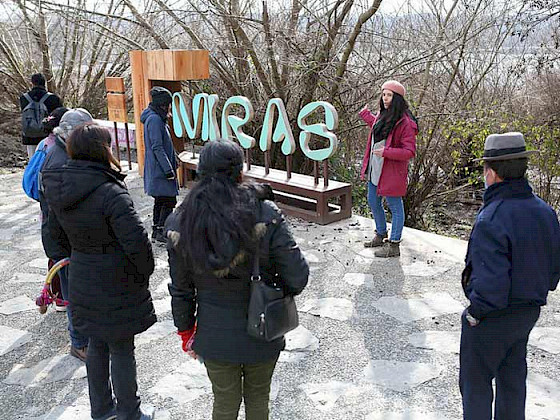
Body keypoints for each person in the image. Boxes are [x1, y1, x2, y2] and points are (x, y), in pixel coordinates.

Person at [166, 139, 309, 420]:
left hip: (212, 334)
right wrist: (275, 286)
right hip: (263, 327)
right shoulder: (265, 214)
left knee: (224, 402)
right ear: (239, 171)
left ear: (201, 172)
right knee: (258, 400)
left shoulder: (180, 222)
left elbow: (180, 289)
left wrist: (186, 332)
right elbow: (298, 276)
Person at [42, 124, 156, 420]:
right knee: (120, 347)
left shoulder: (60, 187)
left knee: (95, 344)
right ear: (101, 150)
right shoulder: (109, 191)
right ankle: (129, 412)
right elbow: (136, 242)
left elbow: (52, 236)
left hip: (82, 274)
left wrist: (75, 256)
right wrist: (144, 273)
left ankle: (102, 410)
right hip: (115, 278)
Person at [459, 132, 560, 420]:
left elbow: (490, 286)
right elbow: (554, 270)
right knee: (512, 380)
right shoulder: (545, 212)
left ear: (491, 173)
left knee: (476, 386)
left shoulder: (492, 217)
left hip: (493, 319)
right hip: (527, 313)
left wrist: (475, 313)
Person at [39, 108, 92, 361]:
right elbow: (60, 214)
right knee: (75, 296)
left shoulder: (63, 152)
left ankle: (84, 337)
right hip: (66, 243)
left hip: (69, 240)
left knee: (79, 293)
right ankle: (79, 342)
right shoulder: (59, 163)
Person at [358, 80, 418, 258]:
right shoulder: (383, 116)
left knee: (395, 207)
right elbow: (378, 128)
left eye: (389, 95)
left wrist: (386, 152)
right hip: (375, 168)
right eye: (383, 94)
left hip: (391, 171)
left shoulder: (405, 122)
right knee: (373, 201)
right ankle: (381, 233)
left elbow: (409, 151)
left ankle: (394, 245)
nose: (385, 98)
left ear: (397, 98)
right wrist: (365, 114)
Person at [140, 86, 178, 244]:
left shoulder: (156, 117)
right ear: (164, 104)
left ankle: (157, 230)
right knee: (169, 200)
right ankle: (161, 230)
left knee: (161, 200)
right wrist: (168, 169)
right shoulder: (155, 119)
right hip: (160, 169)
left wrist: (174, 158)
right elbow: (157, 146)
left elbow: (164, 144)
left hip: (159, 167)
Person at [20, 73, 63, 158]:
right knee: (47, 161)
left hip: (30, 135)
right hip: (48, 137)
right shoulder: (53, 98)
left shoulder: (24, 98)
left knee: (33, 161)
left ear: (32, 83)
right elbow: (59, 116)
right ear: (44, 83)